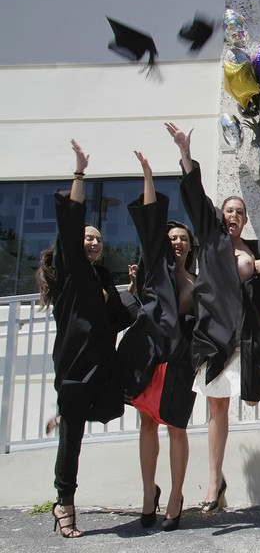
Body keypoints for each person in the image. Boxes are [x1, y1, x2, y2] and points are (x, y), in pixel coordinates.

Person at [165, 122, 260, 512]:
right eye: (228, 210)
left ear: (247, 219)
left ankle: (218, 477)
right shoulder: (212, 241)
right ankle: (213, 482)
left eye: (240, 212)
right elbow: (195, 200)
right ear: (222, 216)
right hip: (216, 337)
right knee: (216, 407)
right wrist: (186, 156)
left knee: (251, 401)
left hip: (249, 338)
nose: (233, 215)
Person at [37, 140, 136, 538]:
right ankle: (64, 501)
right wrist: (80, 174)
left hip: (103, 364)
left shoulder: (101, 279)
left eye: (97, 238)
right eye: (86, 237)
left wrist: (132, 288)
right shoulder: (72, 271)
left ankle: (66, 416)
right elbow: (71, 222)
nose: (92, 242)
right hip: (76, 365)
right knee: (72, 442)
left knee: (114, 405)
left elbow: (118, 319)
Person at [118, 150, 198, 531]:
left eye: (183, 238)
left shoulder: (198, 285)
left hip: (178, 361)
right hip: (150, 357)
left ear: (190, 246)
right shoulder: (156, 270)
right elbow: (150, 222)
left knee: (176, 427)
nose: (177, 242)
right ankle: (148, 493)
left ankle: (176, 496)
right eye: (172, 237)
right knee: (147, 426)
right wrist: (149, 176)